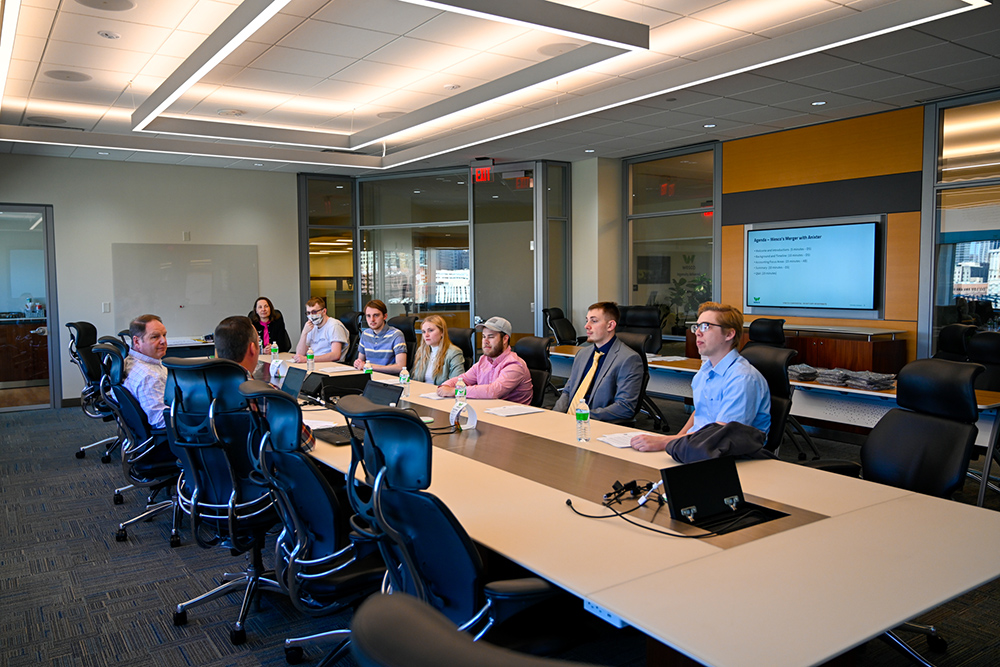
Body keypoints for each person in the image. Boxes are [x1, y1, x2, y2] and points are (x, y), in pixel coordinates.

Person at [630, 302, 770, 453]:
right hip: (696, 446)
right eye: (697, 327)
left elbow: (721, 436)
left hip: (726, 453)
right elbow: (700, 411)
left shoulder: (742, 378)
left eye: (706, 326)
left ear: (729, 334)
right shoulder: (705, 371)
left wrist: (666, 441)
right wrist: (675, 439)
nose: (697, 333)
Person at [215, 315, 314, 453]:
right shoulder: (264, 394)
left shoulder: (200, 390)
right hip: (260, 471)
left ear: (216, 352)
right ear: (252, 348)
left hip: (205, 471)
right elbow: (307, 444)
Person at [553, 302, 643, 422]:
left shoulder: (628, 359)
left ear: (610, 325)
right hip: (568, 422)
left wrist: (580, 417)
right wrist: (554, 417)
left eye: (593, 321)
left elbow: (625, 407)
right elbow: (568, 391)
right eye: (587, 320)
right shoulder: (582, 354)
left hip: (594, 424)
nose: (586, 326)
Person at [438, 316, 533, 404]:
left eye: (491, 337)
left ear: (505, 339)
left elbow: (493, 391)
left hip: (513, 417)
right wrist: (445, 386)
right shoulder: (484, 360)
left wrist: (454, 391)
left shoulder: (514, 364)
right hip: (488, 409)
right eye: (483, 336)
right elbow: (464, 379)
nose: (485, 341)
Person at [123, 314, 169, 429]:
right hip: (173, 436)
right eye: (155, 337)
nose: (163, 341)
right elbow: (161, 421)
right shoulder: (149, 376)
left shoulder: (131, 361)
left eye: (164, 335)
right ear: (137, 341)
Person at [352, 299, 406, 375]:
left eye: (376, 315)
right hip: (368, 379)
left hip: (387, 381)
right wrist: (357, 363)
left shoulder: (396, 335)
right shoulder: (365, 334)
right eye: (368, 316)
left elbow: (400, 367)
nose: (372, 320)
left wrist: (370, 367)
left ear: (385, 316)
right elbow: (360, 360)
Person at [411, 315, 465, 385]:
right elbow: (416, 379)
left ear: (442, 332)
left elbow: (456, 382)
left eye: (430, 330)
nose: (426, 335)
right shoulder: (421, 351)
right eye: (424, 332)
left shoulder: (454, 353)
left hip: (441, 394)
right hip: (421, 392)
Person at [294, 296, 349, 363]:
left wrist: (308, 359)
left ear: (324, 311)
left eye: (314, 312)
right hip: (313, 364)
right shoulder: (311, 326)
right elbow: (299, 354)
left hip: (329, 366)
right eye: (308, 313)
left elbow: (335, 355)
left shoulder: (334, 325)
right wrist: (304, 333)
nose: (311, 315)